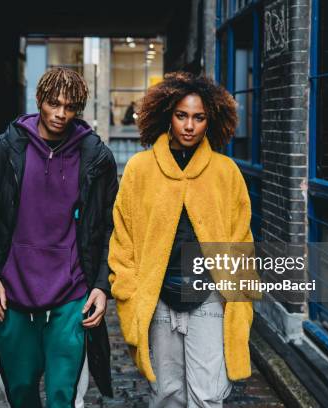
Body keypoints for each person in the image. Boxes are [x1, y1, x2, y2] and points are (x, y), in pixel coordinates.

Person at [0, 67, 117, 407]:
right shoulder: (2, 150)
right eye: (54, 103)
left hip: (72, 294)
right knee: (19, 395)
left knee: (64, 396)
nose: (61, 114)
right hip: (12, 292)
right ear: (39, 101)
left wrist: (101, 285)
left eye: (70, 106)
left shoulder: (96, 158)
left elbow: (109, 227)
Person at [108, 72, 256, 407]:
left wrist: (239, 297)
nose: (189, 125)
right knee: (167, 396)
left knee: (207, 396)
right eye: (182, 115)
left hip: (209, 300)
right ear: (167, 116)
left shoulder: (225, 172)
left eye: (198, 117)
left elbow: (241, 241)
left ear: (210, 120)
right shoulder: (139, 169)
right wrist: (129, 292)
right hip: (159, 300)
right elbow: (123, 239)